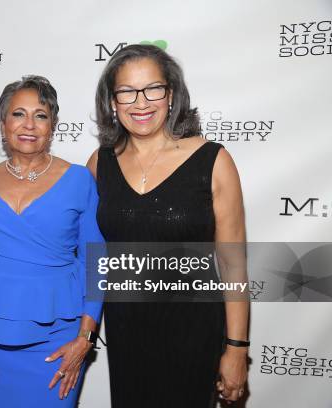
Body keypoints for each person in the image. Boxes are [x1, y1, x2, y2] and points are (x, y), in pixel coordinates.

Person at [87, 44, 249, 407]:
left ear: (171, 94)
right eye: (126, 91)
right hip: (126, 331)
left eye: (153, 89)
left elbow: (234, 264)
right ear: (112, 101)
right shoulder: (100, 164)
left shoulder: (213, 160)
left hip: (193, 332)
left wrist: (237, 349)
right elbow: (74, 238)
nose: (140, 102)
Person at [0, 75, 103, 408]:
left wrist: (85, 339)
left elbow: (95, 260)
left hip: (57, 342)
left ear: (53, 125)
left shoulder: (78, 180)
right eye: (18, 114)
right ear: (4, 124)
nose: (29, 124)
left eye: (41, 115)